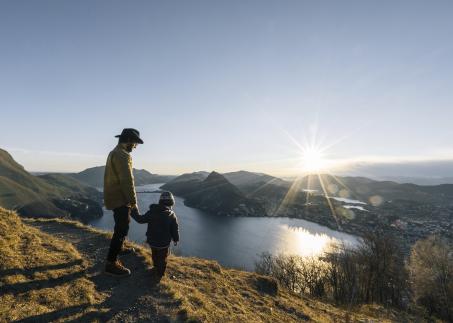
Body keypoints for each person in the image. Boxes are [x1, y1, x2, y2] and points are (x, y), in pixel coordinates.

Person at [104, 128, 144, 276]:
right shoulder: (123, 155)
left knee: (121, 227)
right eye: (135, 143)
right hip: (121, 198)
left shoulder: (113, 152)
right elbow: (127, 181)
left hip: (114, 196)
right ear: (128, 141)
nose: (135, 146)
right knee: (121, 229)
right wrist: (133, 201)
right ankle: (111, 263)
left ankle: (119, 248)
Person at [131, 191, 179, 279]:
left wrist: (133, 209)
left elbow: (140, 219)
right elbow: (174, 229)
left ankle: (155, 268)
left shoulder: (152, 212)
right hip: (164, 243)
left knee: (155, 255)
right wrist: (176, 239)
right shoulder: (171, 215)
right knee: (162, 259)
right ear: (171, 203)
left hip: (152, 241)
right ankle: (160, 274)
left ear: (160, 201)